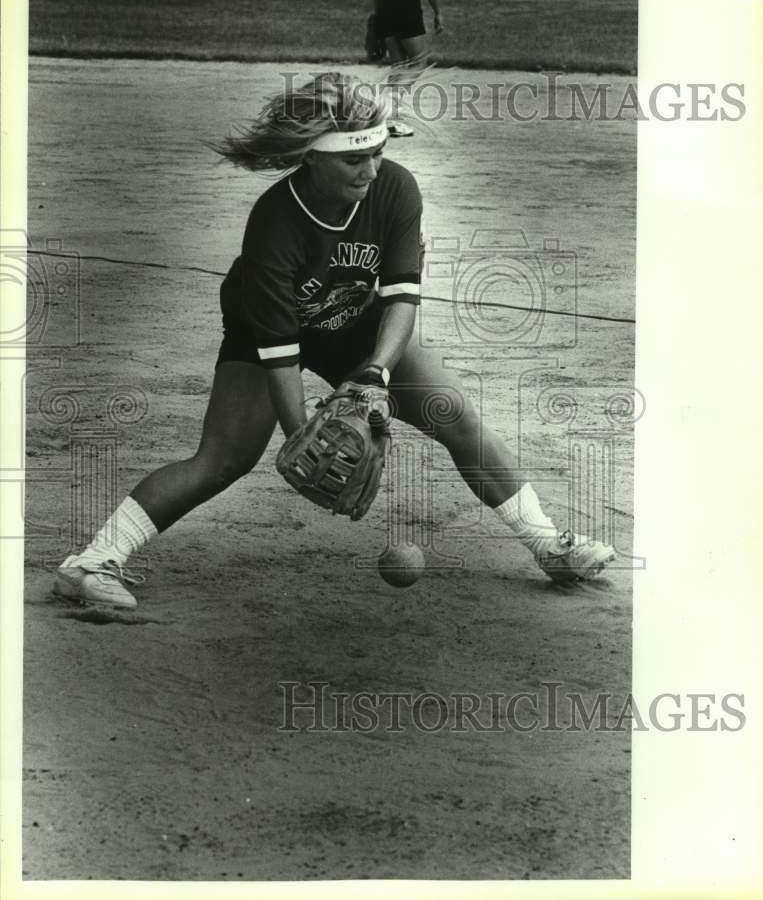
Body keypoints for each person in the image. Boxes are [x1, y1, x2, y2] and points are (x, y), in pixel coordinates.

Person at [53, 72, 615, 611]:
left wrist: (374, 374)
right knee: (223, 460)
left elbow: (400, 299)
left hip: (354, 321)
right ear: (312, 156)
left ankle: (550, 546)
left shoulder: (395, 187)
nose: (371, 169)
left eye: (377, 151)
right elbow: (279, 354)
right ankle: (93, 563)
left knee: (456, 414)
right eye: (354, 158)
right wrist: (305, 437)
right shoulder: (274, 222)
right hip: (266, 332)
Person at [371, 0, 443, 137]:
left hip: (386, 5)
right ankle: (389, 107)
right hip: (407, 7)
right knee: (419, 61)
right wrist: (438, 11)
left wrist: (378, 13)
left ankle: (391, 118)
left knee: (399, 65)